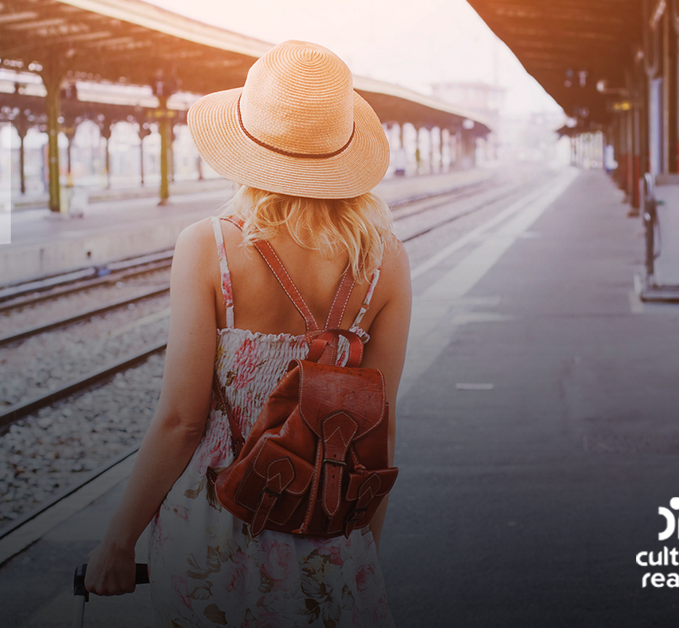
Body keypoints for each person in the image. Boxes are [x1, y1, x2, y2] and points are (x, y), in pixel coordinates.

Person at [84, 41, 411, 627]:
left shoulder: (209, 248)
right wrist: (360, 547)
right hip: (329, 526)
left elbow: (181, 421)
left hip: (214, 528)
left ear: (248, 141)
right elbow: (377, 426)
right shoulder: (386, 260)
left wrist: (118, 541)